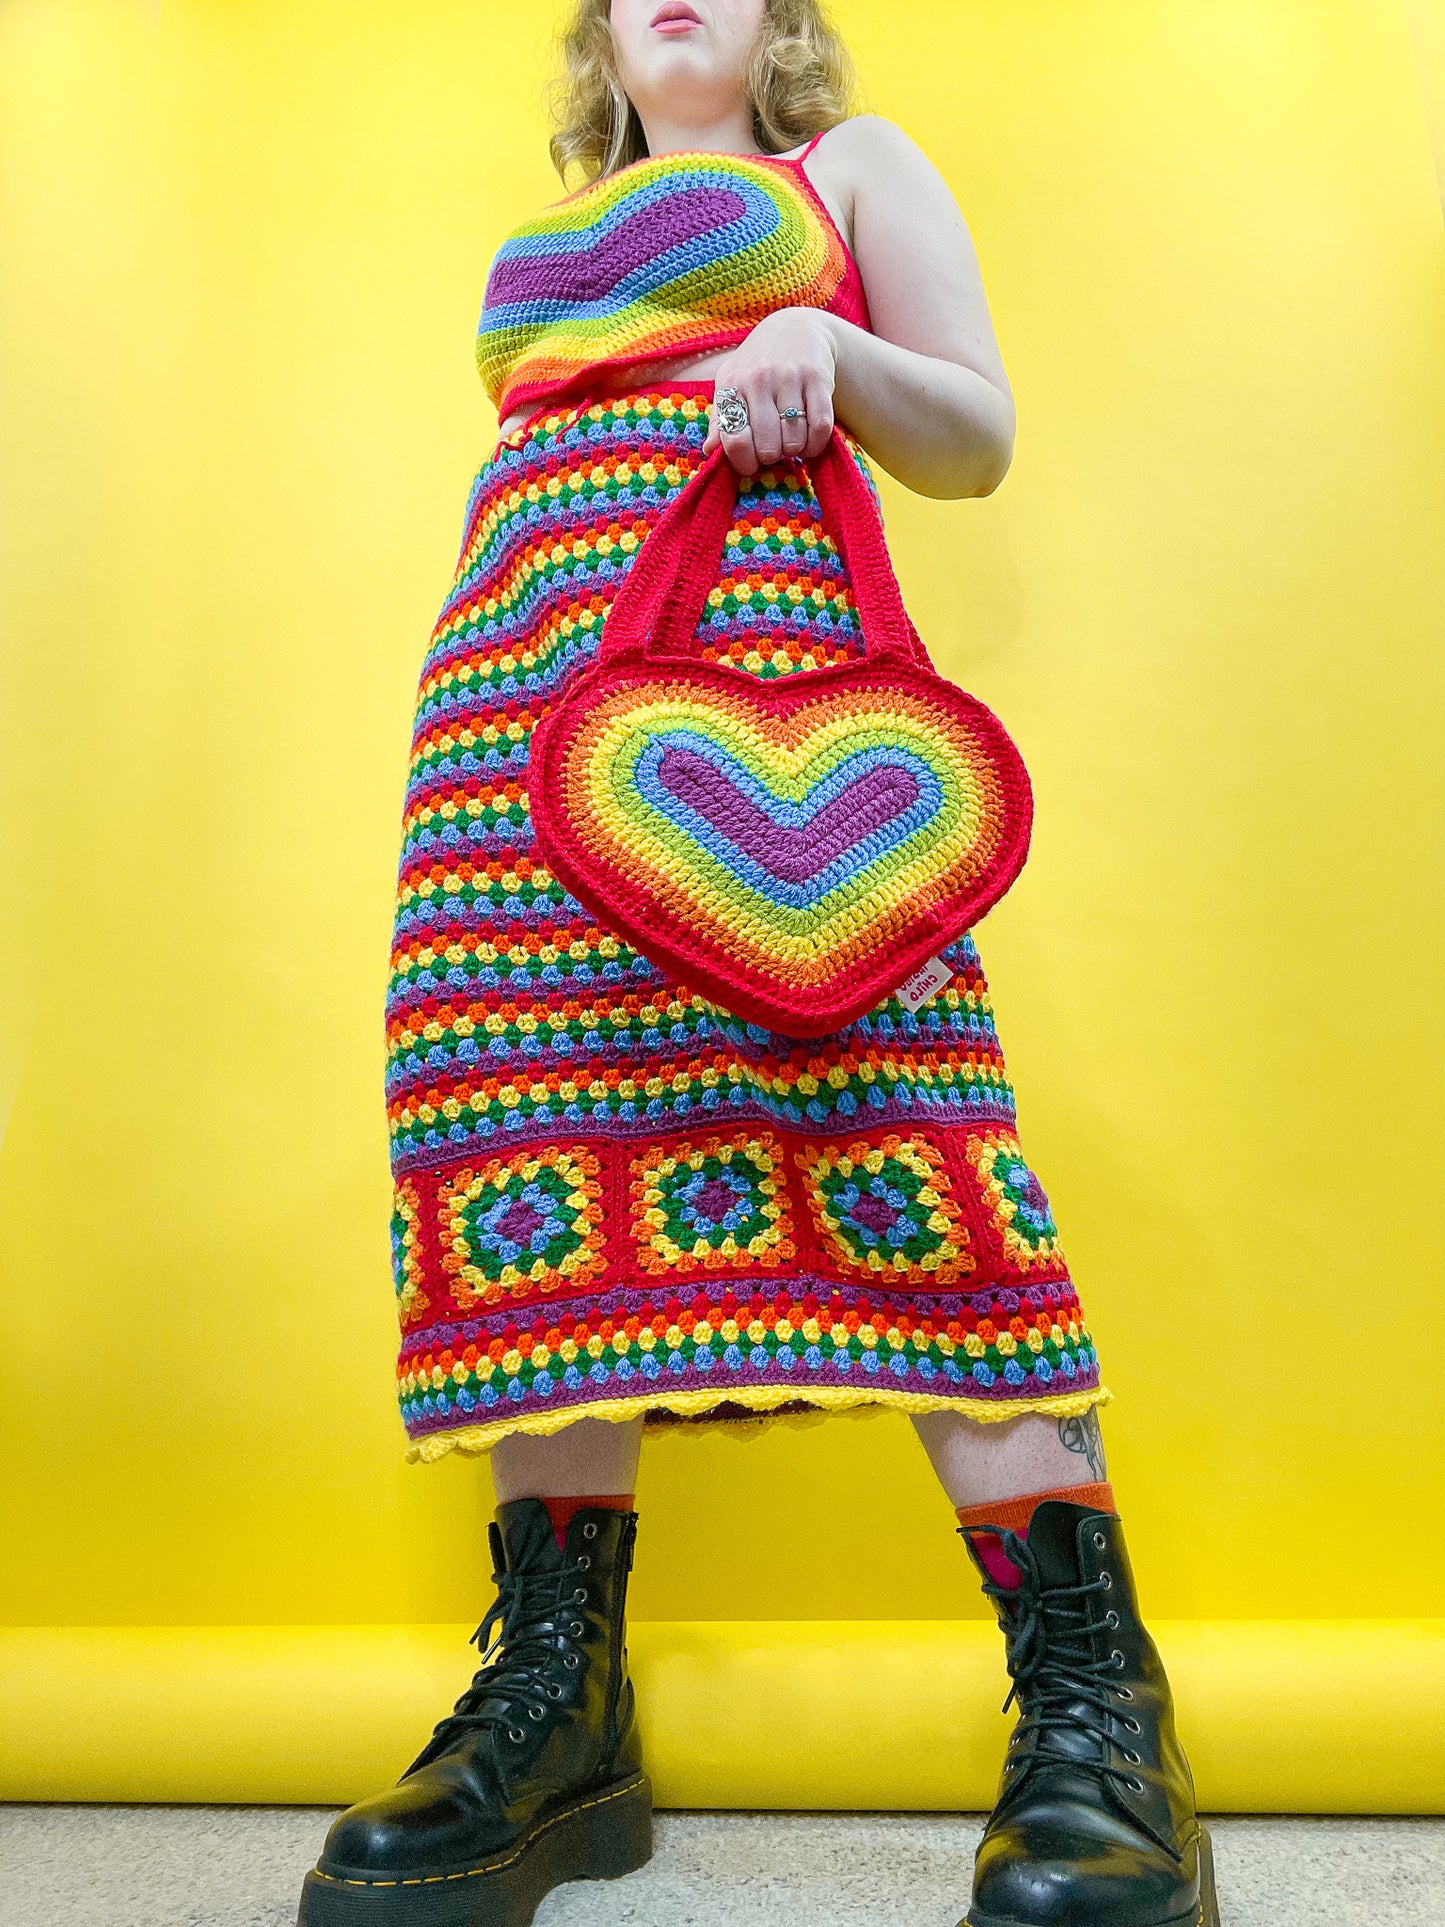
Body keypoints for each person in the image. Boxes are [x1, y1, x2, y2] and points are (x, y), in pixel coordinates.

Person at [298, 5, 1216, 1925]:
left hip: (782, 743)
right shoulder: (557, 226)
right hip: (514, 750)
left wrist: (828, 338)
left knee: (904, 1143)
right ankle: (557, 1720)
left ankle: (1095, 1708)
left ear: (782, 21)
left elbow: (971, 435)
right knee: (531, 1171)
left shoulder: (846, 173)